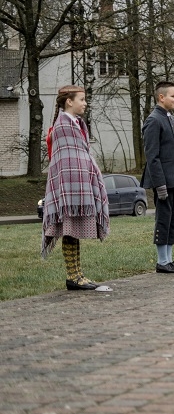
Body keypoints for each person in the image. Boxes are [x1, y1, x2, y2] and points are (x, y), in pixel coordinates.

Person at [41, 85, 110, 290]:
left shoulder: (77, 123)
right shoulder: (63, 126)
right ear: (69, 101)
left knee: (74, 231)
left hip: (78, 186)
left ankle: (78, 274)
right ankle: (72, 276)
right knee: (69, 230)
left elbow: (82, 154)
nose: (85, 103)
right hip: (68, 188)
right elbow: (66, 160)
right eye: (81, 99)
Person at [142, 80, 174, 274]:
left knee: (173, 219)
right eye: (173, 96)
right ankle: (162, 261)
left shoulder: (172, 119)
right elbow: (152, 156)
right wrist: (159, 183)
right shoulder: (154, 120)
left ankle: (169, 259)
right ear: (161, 97)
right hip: (163, 180)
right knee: (163, 218)